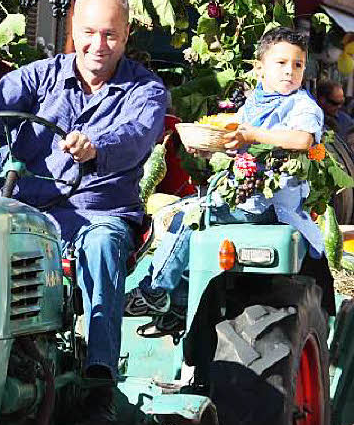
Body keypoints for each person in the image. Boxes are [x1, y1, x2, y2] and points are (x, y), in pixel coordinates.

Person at [0, 0, 168, 424]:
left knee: (103, 245)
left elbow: (136, 137)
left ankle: (99, 378)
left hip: (98, 213)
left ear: (126, 36)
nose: (98, 45)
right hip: (31, 210)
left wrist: (96, 146)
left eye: (110, 35)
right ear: (73, 31)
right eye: (89, 33)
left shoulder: (145, 90)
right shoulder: (40, 77)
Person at [124, 27, 328, 324]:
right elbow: (238, 148)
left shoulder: (302, 105)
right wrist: (211, 151)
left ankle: (154, 292)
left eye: (297, 65)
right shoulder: (255, 103)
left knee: (190, 217)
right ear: (260, 68)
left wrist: (254, 134)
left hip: (271, 206)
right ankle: (181, 301)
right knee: (173, 215)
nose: (290, 72)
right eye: (281, 63)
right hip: (242, 196)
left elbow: (304, 141)